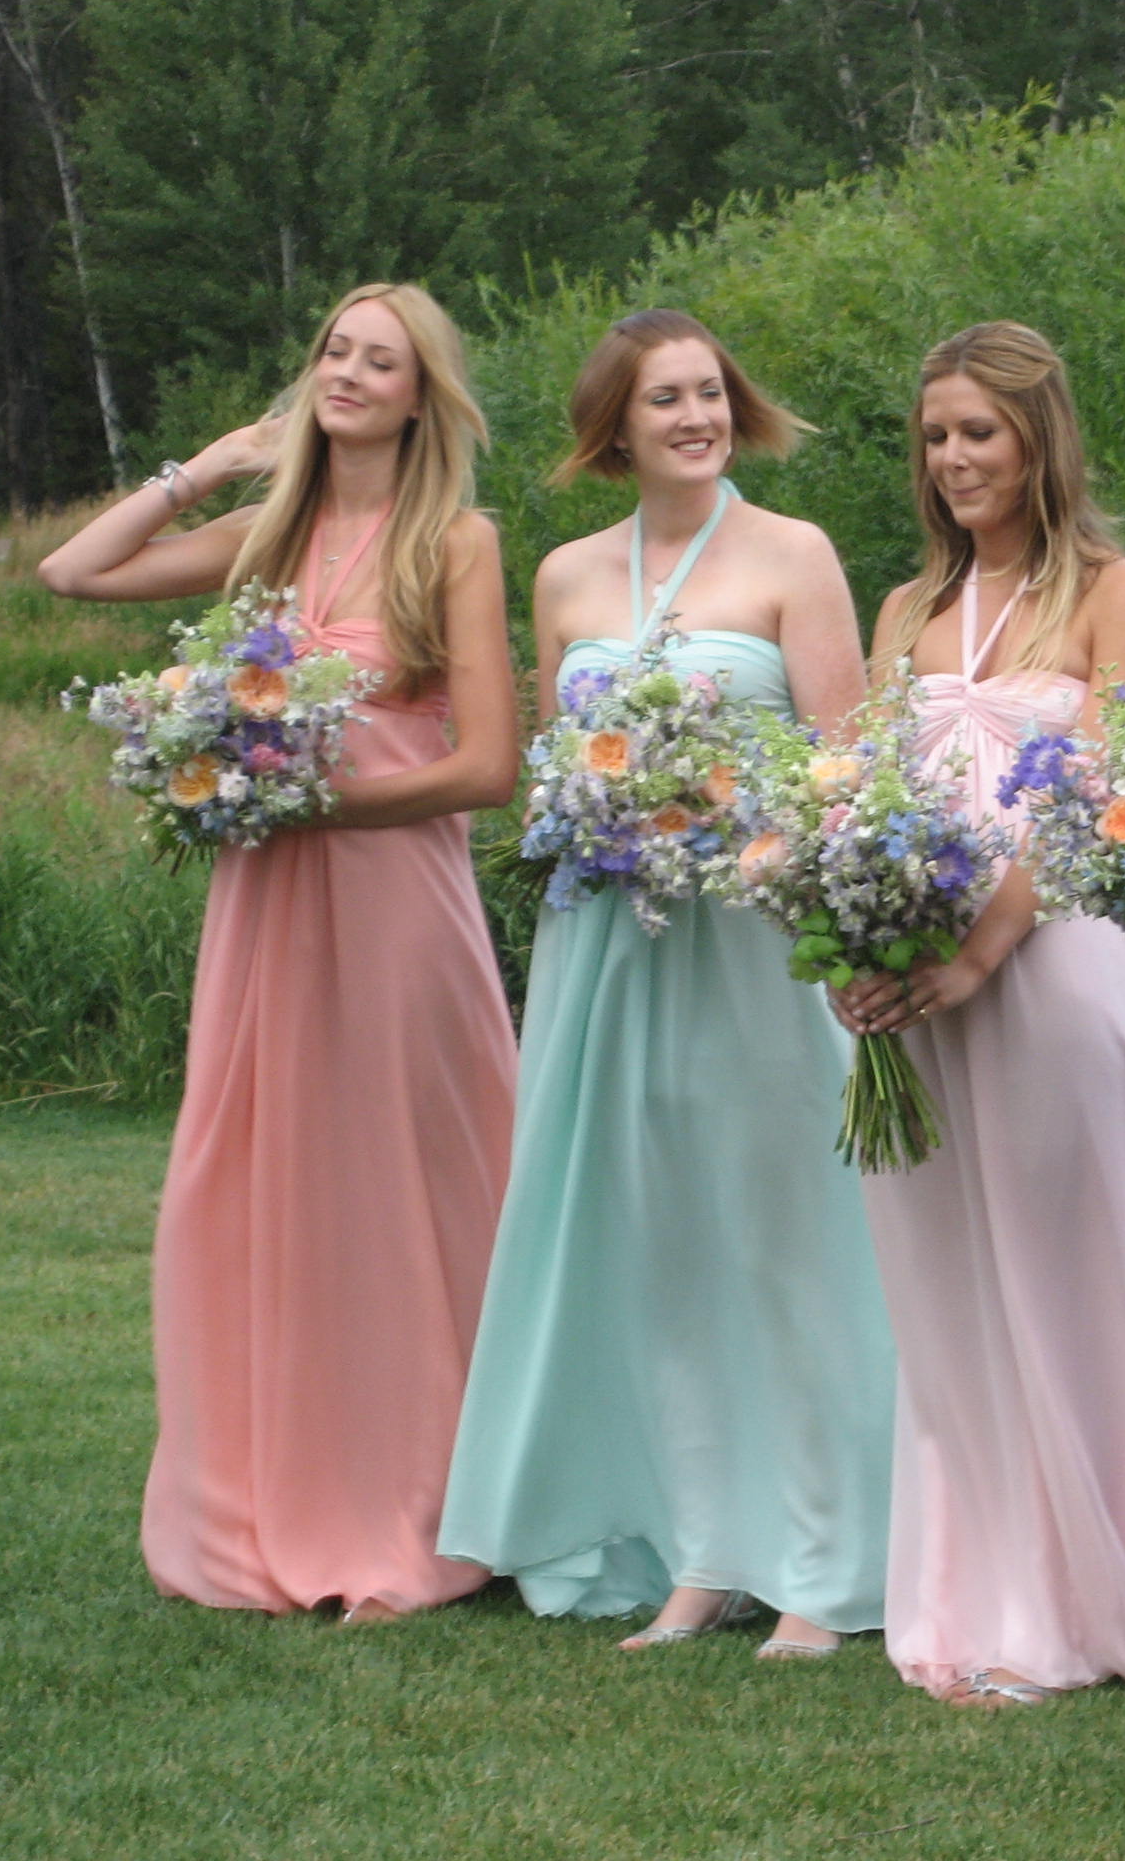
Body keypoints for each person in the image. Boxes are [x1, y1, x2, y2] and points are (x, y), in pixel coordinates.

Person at [39, 282, 517, 1619]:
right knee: (261, 1171)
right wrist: (210, 464)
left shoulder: (456, 542)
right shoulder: (269, 535)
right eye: (334, 352)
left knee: (403, 1181)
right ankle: (272, 1493)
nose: (350, 374)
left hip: (395, 899)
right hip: (268, 907)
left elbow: (489, 766)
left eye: (382, 362)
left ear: (421, 397)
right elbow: (73, 573)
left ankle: (438, 1497)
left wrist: (320, 804)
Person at [438, 310, 896, 1657]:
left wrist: (735, 820)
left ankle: (824, 1559)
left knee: (787, 1242)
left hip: (754, 944)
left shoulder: (794, 553)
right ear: (616, 427)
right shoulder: (567, 575)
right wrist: (608, 805)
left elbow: (847, 765)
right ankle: (704, 1552)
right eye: (665, 399)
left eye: (710, 393)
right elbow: (550, 774)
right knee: (664, 1247)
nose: (696, 417)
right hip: (614, 948)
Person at [832, 321, 1125, 1707]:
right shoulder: (904, 609)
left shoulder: (1120, 594)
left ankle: (1115, 1594)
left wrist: (985, 951)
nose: (954, 458)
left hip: (1050, 966)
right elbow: (860, 795)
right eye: (935, 435)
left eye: (978, 431)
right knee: (950, 1285)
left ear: (1040, 436)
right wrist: (848, 937)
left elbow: (1100, 795)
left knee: (1077, 1267)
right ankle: (980, 1591)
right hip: (915, 980)